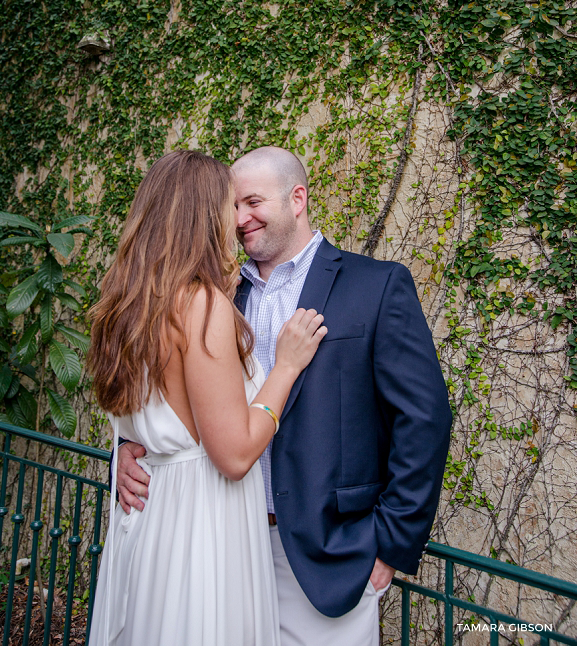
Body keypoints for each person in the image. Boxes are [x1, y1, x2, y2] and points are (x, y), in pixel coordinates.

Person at [117, 146, 453, 646]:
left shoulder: (376, 286)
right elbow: (172, 403)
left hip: (329, 556)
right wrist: (125, 452)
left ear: (297, 199)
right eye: (232, 205)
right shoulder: (215, 297)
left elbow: (424, 419)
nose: (239, 218)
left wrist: (389, 545)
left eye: (252, 202)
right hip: (225, 544)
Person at [87, 150, 328, 646]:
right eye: (228, 205)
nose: (237, 220)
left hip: (151, 523)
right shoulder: (200, 306)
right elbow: (235, 454)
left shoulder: (126, 306)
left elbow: (147, 422)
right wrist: (284, 368)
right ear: (204, 214)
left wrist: (123, 458)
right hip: (202, 528)